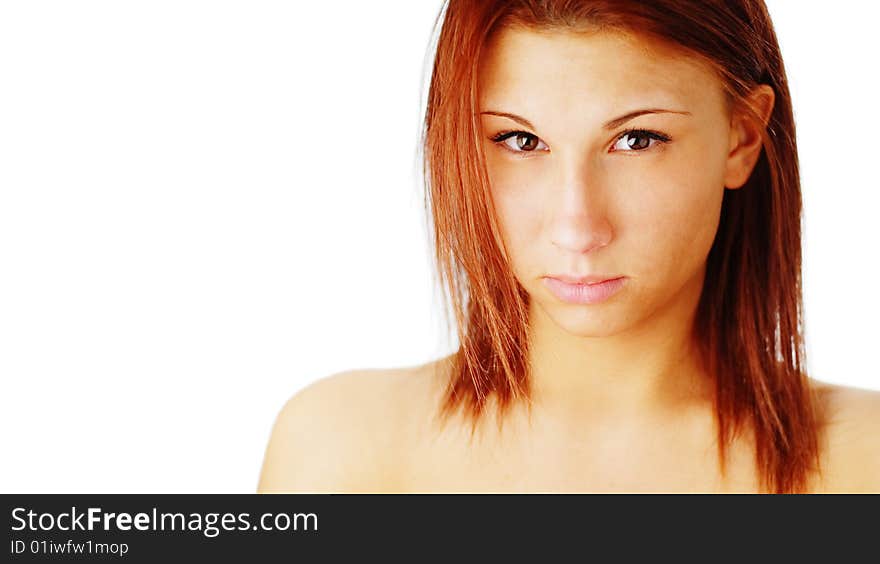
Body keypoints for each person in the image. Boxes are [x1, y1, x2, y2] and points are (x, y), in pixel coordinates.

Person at [257, 0, 880, 493]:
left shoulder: (861, 462)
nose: (577, 227)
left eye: (637, 140)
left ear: (742, 137)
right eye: (520, 142)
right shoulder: (343, 450)